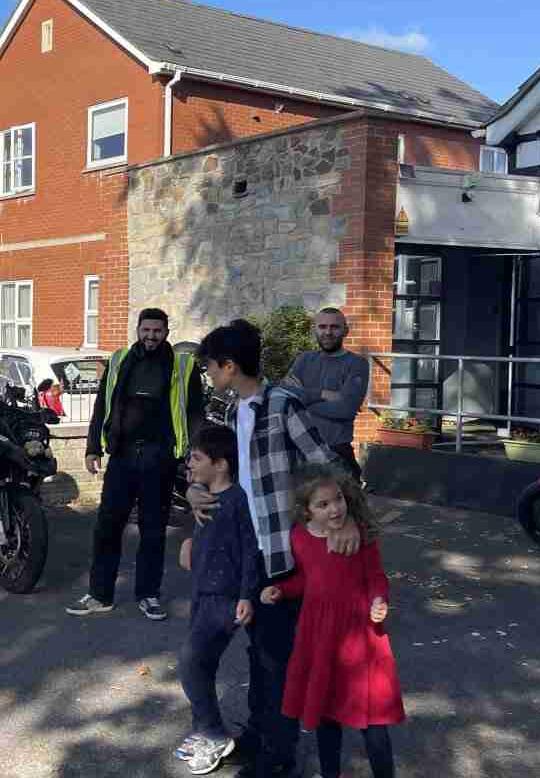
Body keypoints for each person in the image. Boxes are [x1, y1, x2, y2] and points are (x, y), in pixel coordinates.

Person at [191, 319, 359, 778]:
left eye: (210, 366)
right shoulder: (230, 411)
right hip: (242, 553)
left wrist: (347, 525)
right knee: (253, 651)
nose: (208, 374)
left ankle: (278, 753)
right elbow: (214, 470)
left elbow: (330, 465)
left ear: (229, 366)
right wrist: (192, 491)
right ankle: (260, 734)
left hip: (280, 555)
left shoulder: (282, 405)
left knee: (273, 656)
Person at [261, 465, 404, 778]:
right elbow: (307, 581)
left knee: (373, 718)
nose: (335, 508)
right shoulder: (299, 537)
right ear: (306, 510)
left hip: (361, 635)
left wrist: (379, 601)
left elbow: (376, 577)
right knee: (325, 714)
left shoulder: (360, 536)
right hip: (319, 636)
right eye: (322, 505)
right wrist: (281, 590)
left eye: (337, 499)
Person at [68, 308, 203, 620]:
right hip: (123, 455)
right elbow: (102, 404)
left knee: (153, 530)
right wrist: (92, 448)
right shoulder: (119, 361)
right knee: (107, 527)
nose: (151, 336)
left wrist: (195, 459)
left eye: (157, 331)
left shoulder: (183, 366)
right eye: (146, 330)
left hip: (160, 457)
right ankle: (100, 594)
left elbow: (196, 415)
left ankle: (149, 594)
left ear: (167, 332)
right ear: (137, 330)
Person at [174, 425, 258, 775]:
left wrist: (246, 595)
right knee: (202, 666)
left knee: (191, 665)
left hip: (224, 599)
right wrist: (190, 546)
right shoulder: (204, 492)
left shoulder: (238, 501)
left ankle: (213, 732)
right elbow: (203, 532)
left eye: (197, 458)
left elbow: (251, 551)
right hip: (201, 591)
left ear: (221, 464)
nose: (189, 464)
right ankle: (202, 731)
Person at [283, 308, 370, 479]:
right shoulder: (304, 359)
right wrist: (323, 394)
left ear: (346, 330)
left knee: (344, 505)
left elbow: (345, 410)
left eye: (334, 327)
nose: (328, 332)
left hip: (336, 453)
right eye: (322, 327)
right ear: (314, 330)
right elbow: (285, 397)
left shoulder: (357, 364)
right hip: (300, 452)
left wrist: (302, 399)